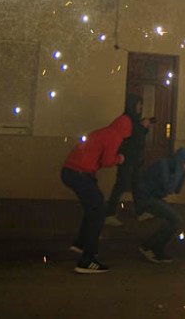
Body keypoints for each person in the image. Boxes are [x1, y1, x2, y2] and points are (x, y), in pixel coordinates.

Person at [61, 110, 132, 274]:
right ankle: (87, 259)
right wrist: (119, 159)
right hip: (80, 174)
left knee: (93, 207)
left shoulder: (103, 132)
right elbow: (107, 161)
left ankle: (80, 243)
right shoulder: (115, 136)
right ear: (127, 129)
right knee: (99, 211)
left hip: (71, 171)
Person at [136, 147, 185, 263]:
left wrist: (182, 172)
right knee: (175, 219)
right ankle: (149, 247)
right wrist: (180, 171)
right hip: (146, 198)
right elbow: (169, 188)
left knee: (174, 219)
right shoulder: (163, 165)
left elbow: (177, 190)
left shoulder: (170, 166)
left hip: (152, 197)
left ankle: (153, 247)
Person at [104, 93, 151, 226]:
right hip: (126, 158)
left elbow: (138, 136)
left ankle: (140, 212)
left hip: (133, 158)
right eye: (139, 104)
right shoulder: (126, 120)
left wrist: (144, 128)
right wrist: (143, 127)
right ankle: (109, 213)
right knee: (121, 185)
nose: (141, 107)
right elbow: (133, 138)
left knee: (136, 184)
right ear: (133, 105)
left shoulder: (133, 119)